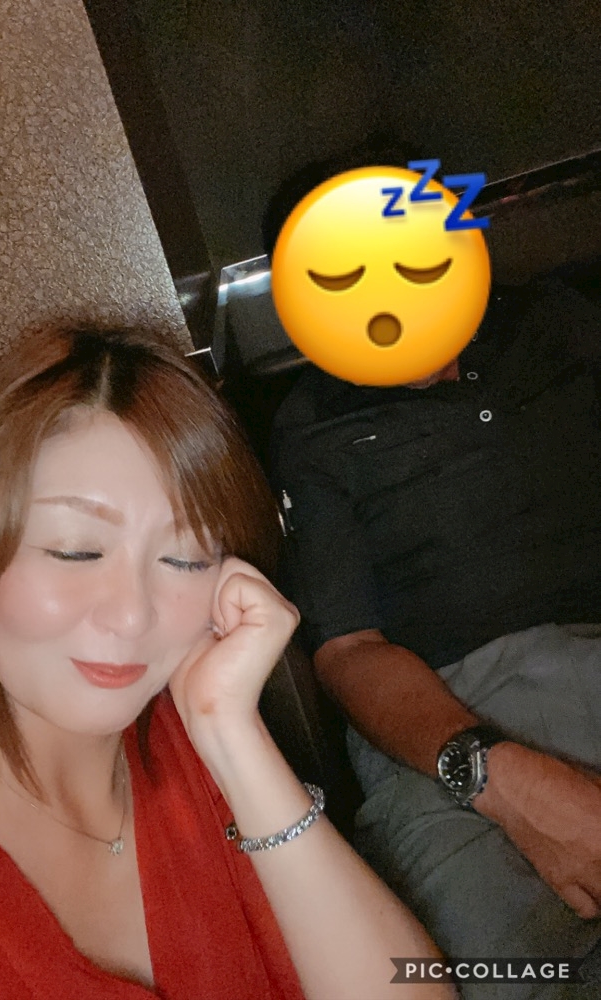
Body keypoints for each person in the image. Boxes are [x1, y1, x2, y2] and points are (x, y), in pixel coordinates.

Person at [0, 325, 455, 1000]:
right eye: (74, 550)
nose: (131, 615)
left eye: (184, 559)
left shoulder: (196, 756)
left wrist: (230, 733)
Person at [270, 270, 601, 998]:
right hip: (437, 717)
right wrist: (499, 780)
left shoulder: (553, 319)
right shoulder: (313, 423)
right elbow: (349, 651)